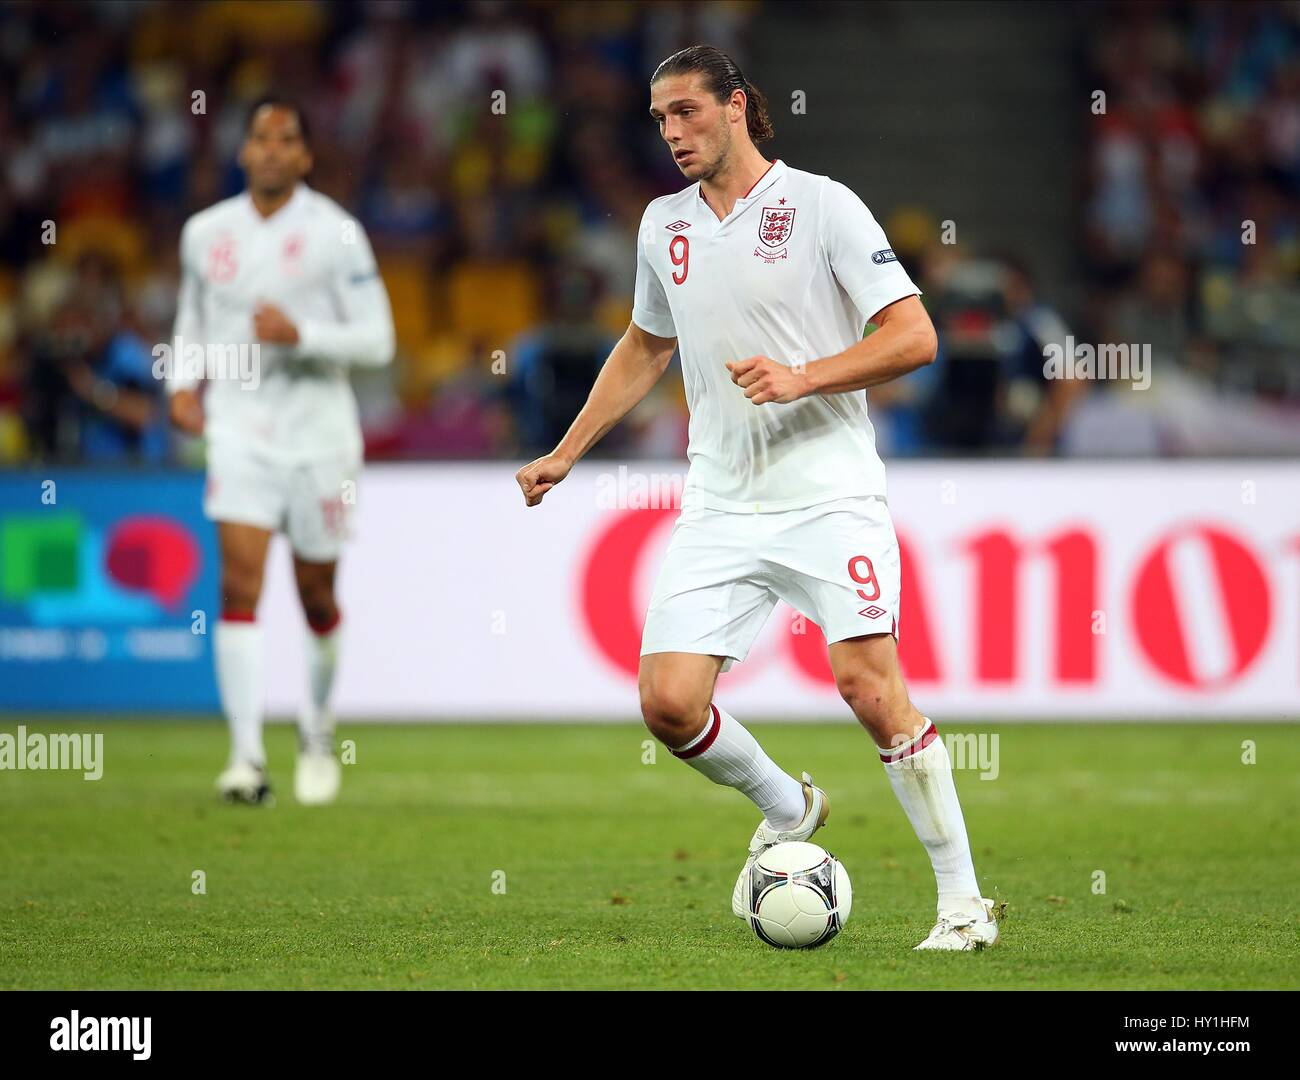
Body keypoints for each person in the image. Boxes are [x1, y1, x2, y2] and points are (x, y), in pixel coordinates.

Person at [516, 45, 998, 950]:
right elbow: (645, 346)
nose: (672, 133)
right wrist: (567, 451)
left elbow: (915, 336)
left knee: (868, 687)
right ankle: (789, 802)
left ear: (737, 106)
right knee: (666, 703)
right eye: (660, 119)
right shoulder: (663, 226)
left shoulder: (822, 206)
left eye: (687, 112)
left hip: (828, 490)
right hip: (723, 500)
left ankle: (963, 904)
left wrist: (805, 375)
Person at [167, 97, 395, 805]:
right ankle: (245, 760)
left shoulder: (338, 234)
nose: (271, 149)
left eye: (286, 139)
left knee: (316, 595)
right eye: (259, 137)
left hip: (320, 438)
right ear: (243, 152)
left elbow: (379, 341)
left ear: (303, 156)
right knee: (238, 586)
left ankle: (319, 727)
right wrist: (182, 382)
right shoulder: (205, 233)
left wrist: (304, 336)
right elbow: (191, 321)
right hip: (238, 432)